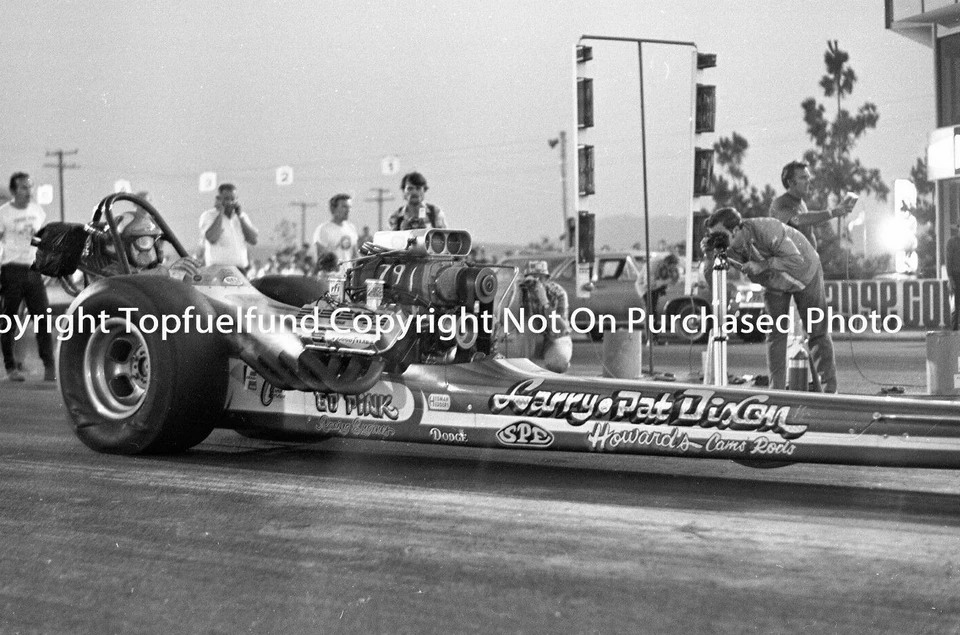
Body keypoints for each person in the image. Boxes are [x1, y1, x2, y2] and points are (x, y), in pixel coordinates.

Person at [702, 206, 838, 393]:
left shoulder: (767, 229)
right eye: (712, 236)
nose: (717, 240)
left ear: (735, 230)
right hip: (774, 283)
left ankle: (830, 393)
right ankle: (776, 394)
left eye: (719, 235)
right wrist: (710, 257)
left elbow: (795, 260)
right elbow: (713, 278)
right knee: (775, 334)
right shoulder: (726, 245)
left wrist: (763, 265)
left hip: (805, 273)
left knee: (817, 332)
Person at [0, 172, 54, 382]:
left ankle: (49, 366)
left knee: (42, 317)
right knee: (10, 319)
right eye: (23, 187)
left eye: (30, 186)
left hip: (33, 270)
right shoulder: (4, 213)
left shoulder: (37, 211)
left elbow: (43, 240)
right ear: (14, 191)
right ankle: (11, 367)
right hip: (12, 269)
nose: (28, 191)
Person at [768, 161, 856, 250]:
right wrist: (833, 212)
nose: (808, 182)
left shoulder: (800, 203)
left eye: (808, 177)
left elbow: (807, 220)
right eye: (803, 178)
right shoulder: (780, 203)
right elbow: (798, 219)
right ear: (790, 182)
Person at [518, 260, 572, 373]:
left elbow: (561, 329)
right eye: (533, 278)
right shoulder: (520, 291)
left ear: (547, 279)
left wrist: (545, 302)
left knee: (558, 363)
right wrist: (518, 291)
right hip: (531, 338)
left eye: (540, 278)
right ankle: (526, 371)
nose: (536, 282)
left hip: (554, 337)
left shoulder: (558, 293)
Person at [198, 183, 258, 272]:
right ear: (219, 199)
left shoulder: (242, 216)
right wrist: (221, 213)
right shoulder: (208, 216)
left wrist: (240, 217)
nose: (230, 202)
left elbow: (253, 240)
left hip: (240, 270)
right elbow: (212, 238)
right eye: (226, 199)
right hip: (218, 270)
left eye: (233, 199)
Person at [312, 193, 359, 275]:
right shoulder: (323, 229)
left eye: (349, 207)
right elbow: (321, 259)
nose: (348, 210)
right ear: (333, 209)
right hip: (331, 278)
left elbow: (355, 257)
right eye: (344, 207)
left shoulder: (351, 228)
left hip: (348, 278)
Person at [946, 228, 960, 330]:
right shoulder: (952, 242)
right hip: (956, 275)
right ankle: (954, 329)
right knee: (955, 304)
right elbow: (948, 260)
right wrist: (950, 278)